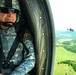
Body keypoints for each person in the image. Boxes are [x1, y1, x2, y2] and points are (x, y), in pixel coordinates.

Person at [0, 0, 35, 75]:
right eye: (5, 10)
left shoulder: (22, 32)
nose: (10, 15)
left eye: (14, 11)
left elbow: (31, 60)